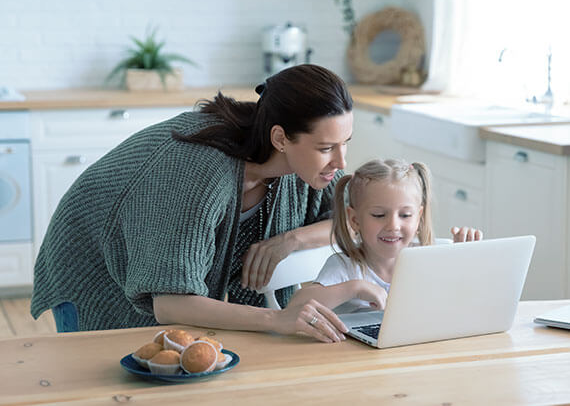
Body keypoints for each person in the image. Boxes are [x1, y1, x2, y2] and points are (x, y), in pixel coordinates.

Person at [30, 64, 351, 343]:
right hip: (94, 266)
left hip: (158, 271)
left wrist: (291, 240)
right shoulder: (200, 172)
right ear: (280, 139)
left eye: (344, 144)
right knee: (106, 383)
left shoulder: (305, 166)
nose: (340, 161)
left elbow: (354, 219)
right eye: (325, 148)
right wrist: (276, 319)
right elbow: (171, 303)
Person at [288, 158, 483, 314]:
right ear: (355, 220)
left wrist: (465, 260)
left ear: (418, 218)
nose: (393, 225)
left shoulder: (431, 258)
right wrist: (353, 288)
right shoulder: (346, 266)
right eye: (379, 215)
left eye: (405, 215)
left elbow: (468, 304)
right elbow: (295, 307)